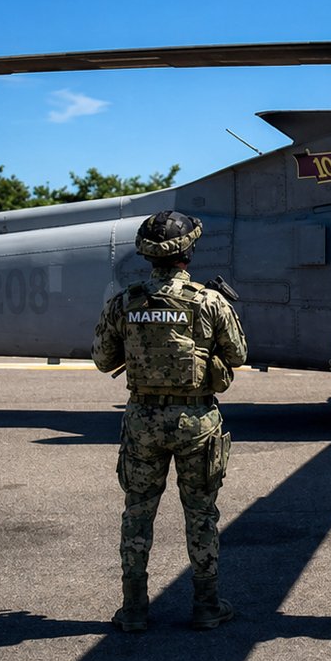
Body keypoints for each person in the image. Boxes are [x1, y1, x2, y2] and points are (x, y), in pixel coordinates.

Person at [92, 211, 248, 632]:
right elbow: (237, 355)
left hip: (143, 417)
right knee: (201, 512)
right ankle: (206, 605)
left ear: (147, 254)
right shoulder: (209, 301)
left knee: (137, 512)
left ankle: (134, 609)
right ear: (188, 253)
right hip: (196, 419)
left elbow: (104, 359)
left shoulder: (126, 300)